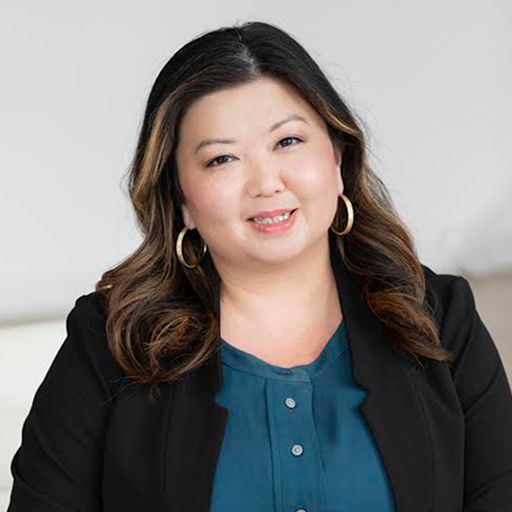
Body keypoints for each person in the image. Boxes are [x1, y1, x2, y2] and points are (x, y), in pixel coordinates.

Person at [7, 20, 512, 512]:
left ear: (337, 159)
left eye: (288, 141)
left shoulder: (439, 317)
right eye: (222, 159)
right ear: (180, 198)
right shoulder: (110, 341)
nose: (266, 182)